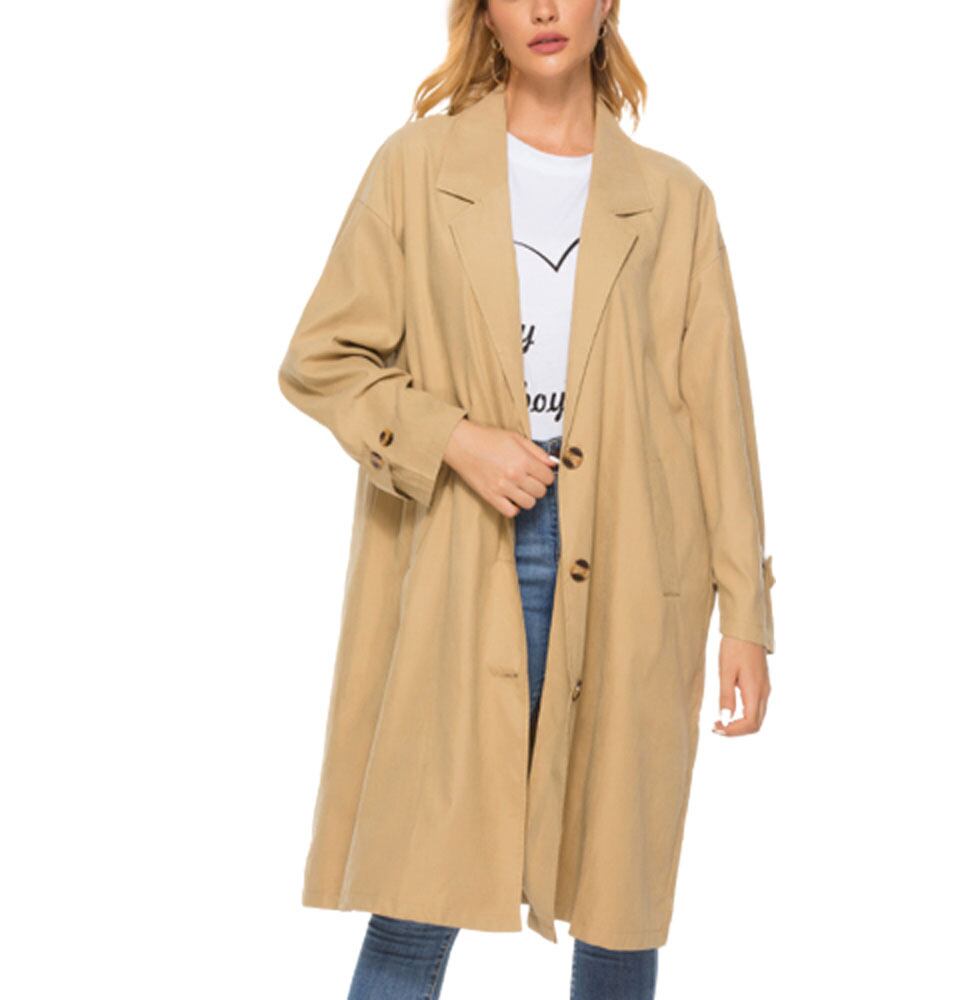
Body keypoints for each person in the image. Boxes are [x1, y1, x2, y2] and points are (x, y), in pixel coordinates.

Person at [277, 1, 776, 997]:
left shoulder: (674, 201)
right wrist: (456, 441)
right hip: (462, 549)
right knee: (416, 893)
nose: (544, 8)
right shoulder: (416, 169)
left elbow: (717, 418)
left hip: (635, 563)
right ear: (485, 15)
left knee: (619, 903)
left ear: (606, 4)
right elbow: (321, 360)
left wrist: (745, 616)